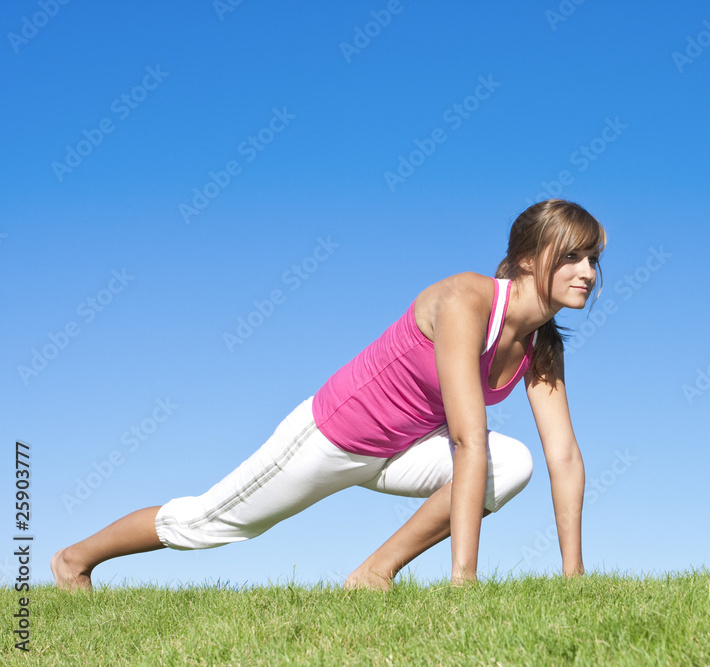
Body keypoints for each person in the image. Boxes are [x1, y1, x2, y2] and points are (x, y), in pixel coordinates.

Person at [51, 198, 607, 591]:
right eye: (573, 256)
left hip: (404, 451)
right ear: (530, 258)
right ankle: (74, 559)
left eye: (593, 260)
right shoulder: (466, 298)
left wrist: (573, 578)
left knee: (516, 463)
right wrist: (464, 583)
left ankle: (373, 574)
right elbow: (467, 440)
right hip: (333, 437)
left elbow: (564, 457)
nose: (587, 272)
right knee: (206, 524)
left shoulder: (541, 344)